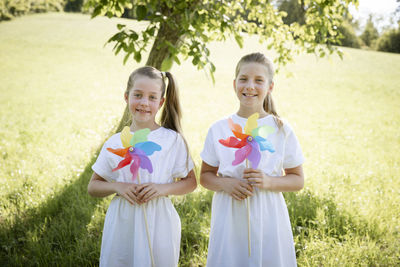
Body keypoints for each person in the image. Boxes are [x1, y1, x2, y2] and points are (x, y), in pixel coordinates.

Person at [200, 52, 304, 267]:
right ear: (234, 83)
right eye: (244, 79)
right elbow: (205, 176)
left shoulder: (281, 129)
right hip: (229, 215)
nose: (250, 86)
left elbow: (297, 180)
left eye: (259, 81)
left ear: (270, 87)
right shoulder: (218, 128)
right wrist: (225, 183)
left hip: (268, 215)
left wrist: (269, 181)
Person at [88, 66, 197, 267]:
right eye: (137, 95)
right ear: (126, 97)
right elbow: (93, 187)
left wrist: (162, 188)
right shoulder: (114, 142)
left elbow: (191, 182)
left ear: (161, 102)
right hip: (123, 220)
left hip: (160, 219)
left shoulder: (172, 140)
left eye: (152, 97)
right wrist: (117, 187)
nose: (144, 103)